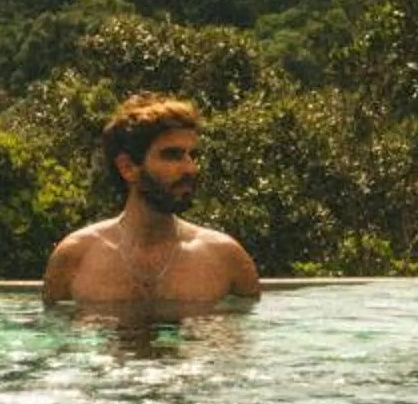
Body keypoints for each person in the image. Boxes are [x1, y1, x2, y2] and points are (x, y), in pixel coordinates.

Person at [42, 93, 260, 309]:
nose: (190, 169)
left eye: (193, 156)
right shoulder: (75, 257)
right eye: (172, 155)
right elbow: (56, 339)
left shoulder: (227, 260)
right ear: (127, 167)